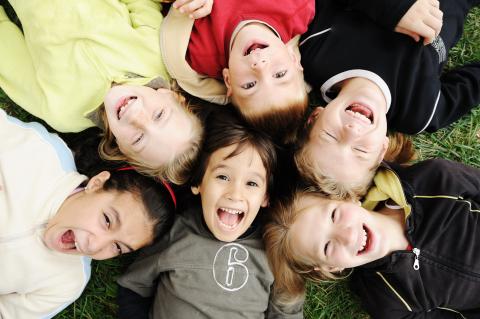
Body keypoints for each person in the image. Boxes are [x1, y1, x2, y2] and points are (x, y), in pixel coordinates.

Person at [117, 109, 303, 318]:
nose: (235, 194)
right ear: (198, 183)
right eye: (223, 177)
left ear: (265, 198)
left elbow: (287, 310)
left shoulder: (274, 250)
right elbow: (134, 287)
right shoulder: (176, 233)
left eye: (252, 183)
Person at [0, 0, 207, 184]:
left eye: (138, 139)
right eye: (159, 115)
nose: (137, 117)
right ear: (172, 95)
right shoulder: (155, 53)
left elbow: (7, 55)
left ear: (122, 150)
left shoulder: (63, 112)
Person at [0, 109, 175, 319]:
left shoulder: (67, 283)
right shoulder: (42, 153)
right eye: (107, 220)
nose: (95, 246)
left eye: (117, 247)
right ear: (97, 183)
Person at [295, 0, 480, 198]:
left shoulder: (315, 51)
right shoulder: (421, 113)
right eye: (361, 150)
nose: (351, 132)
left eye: (330, 136)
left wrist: (394, 8)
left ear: (314, 117)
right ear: (382, 149)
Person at [265, 158, 480, 318]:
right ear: (330, 267)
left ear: (348, 198)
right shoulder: (387, 301)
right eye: (327, 247)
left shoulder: (431, 181)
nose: (347, 235)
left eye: (334, 215)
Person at [160, 0, 314, 142]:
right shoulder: (297, 8)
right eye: (279, 74)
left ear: (228, 80)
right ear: (293, 59)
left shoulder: (199, 52)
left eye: (250, 85)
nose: (260, 67)